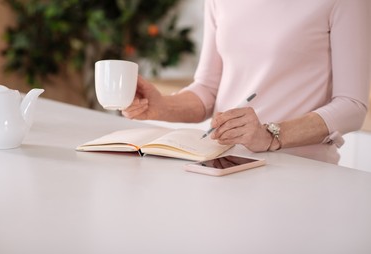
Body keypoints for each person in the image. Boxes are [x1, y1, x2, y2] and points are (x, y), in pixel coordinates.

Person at [122, 0, 370, 164]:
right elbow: (208, 89)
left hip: (300, 171)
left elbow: (352, 105)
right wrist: (161, 106)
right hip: (224, 163)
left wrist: (271, 136)